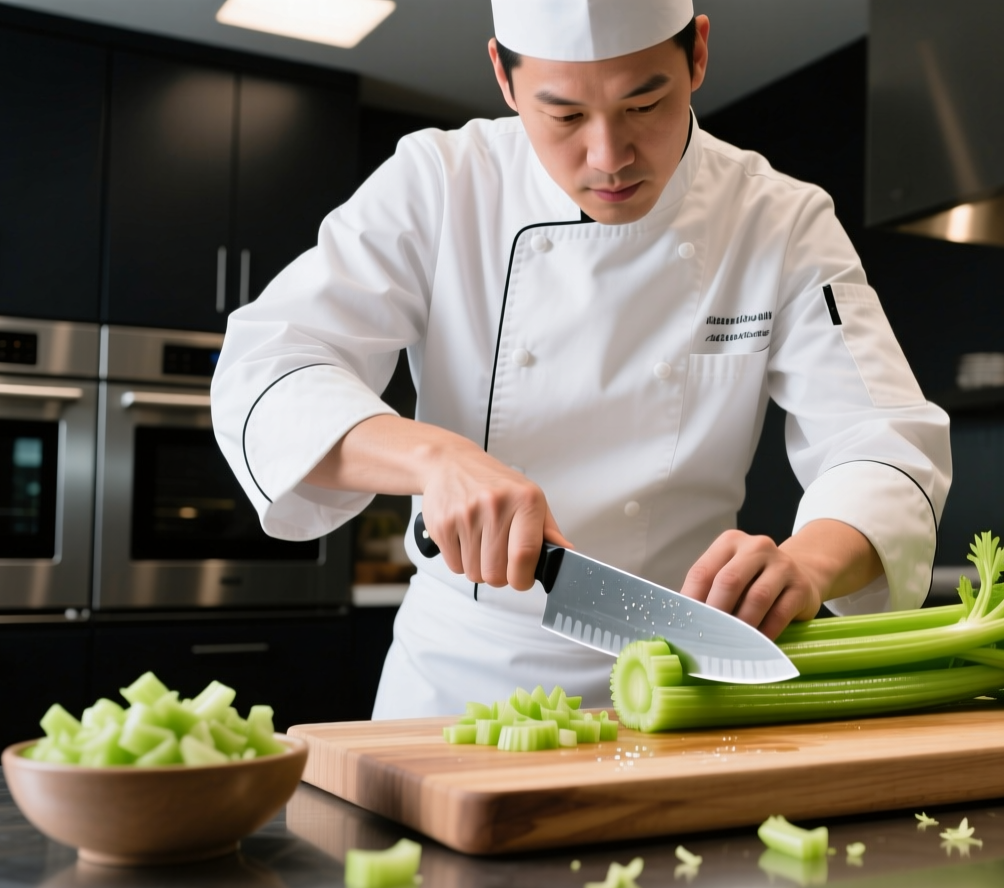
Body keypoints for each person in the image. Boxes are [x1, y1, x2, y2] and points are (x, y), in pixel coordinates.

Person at [210, 0, 951, 717]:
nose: (609, 158)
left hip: (688, 670)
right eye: (563, 115)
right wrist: (434, 459)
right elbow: (268, 369)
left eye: (644, 105)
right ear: (503, 76)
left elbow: (882, 436)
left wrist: (808, 565)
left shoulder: (778, 220)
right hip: (459, 678)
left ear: (696, 54)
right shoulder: (439, 182)